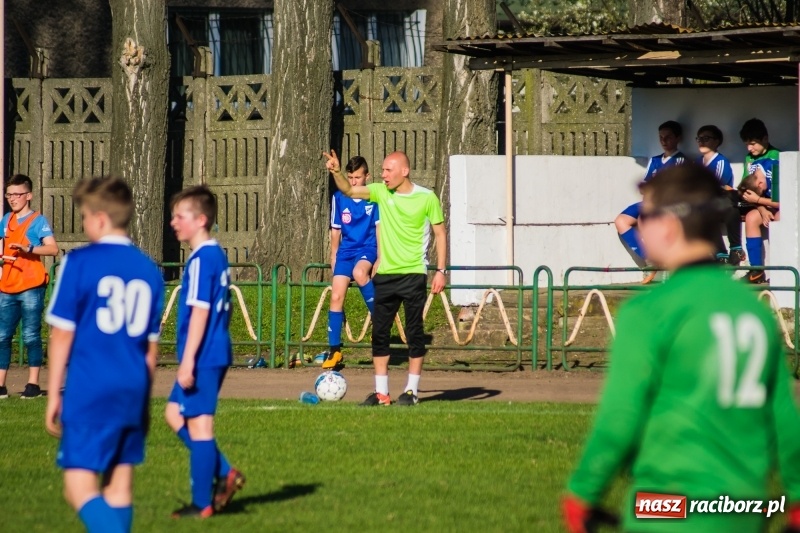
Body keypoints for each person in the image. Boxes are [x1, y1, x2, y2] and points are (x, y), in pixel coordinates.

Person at [563, 164, 800, 533]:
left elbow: (620, 419)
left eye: (646, 215)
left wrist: (582, 493)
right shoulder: (752, 311)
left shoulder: (649, 312)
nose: (640, 225)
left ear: (670, 226)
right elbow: (784, 420)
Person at [44, 177, 164, 533]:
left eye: (83, 217)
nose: (83, 224)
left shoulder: (80, 262)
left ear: (98, 219)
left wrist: (53, 395)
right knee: (119, 486)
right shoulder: (149, 270)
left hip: (91, 387)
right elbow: (151, 353)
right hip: (132, 388)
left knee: (78, 488)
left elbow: (62, 334)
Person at [323, 149, 446, 406]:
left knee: (414, 333)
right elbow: (349, 191)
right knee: (379, 334)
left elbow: (440, 234)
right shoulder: (380, 192)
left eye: (388, 170)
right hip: (386, 275)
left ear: (405, 170)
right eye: (382, 170)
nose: (383, 175)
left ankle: (411, 391)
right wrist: (335, 172)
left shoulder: (427, 198)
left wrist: (441, 270)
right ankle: (382, 393)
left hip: (413, 274)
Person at [165, 185, 245, 518]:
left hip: (204, 355)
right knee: (173, 414)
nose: (173, 223)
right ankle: (225, 472)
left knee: (200, 427)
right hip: (211, 351)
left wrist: (187, 363)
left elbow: (199, 312)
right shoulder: (214, 254)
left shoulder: (201, 260)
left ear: (200, 220)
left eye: (179, 216)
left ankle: (202, 505)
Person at [0, 173, 59, 399]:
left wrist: (29, 249)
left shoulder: (38, 221)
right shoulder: (6, 220)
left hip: (31, 286)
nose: (12, 199)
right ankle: (1, 386)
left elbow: (52, 249)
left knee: (31, 335)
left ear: (29, 195)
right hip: (7, 286)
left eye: (17, 194)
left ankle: (33, 385)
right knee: (3, 336)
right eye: (9, 194)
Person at [323, 155, 379, 370]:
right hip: (346, 251)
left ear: (367, 176)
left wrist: (380, 258)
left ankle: (379, 320)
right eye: (350, 177)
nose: (354, 181)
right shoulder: (339, 197)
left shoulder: (374, 197)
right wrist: (333, 257)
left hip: (368, 248)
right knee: (336, 296)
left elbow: (380, 228)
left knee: (359, 273)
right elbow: (335, 230)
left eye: (357, 177)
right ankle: (335, 351)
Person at [615, 121, 685, 284]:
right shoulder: (654, 161)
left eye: (668, 137)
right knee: (621, 221)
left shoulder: (681, 160)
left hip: (668, 205)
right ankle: (651, 262)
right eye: (661, 137)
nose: (664, 141)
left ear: (677, 138)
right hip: (649, 204)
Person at [739, 118, 780, 284]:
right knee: (751, 218)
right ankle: (756, 271)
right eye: (747, 144)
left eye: (753, 143)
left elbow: (784, 198)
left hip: (777, 204)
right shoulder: (749, 159)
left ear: (765, 139)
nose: (750, 148)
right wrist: (761, 208)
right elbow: (745, 190)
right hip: (762, 204)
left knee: (778, 221)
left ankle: (781, 270)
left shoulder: (777, 157)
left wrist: (762, 202)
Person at [693, 124, 742, 264]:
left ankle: (734, 250)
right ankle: (720, 254)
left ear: (716, 141)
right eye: (699, 138)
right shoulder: (697, 162)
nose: (702, 141)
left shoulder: (720, 161)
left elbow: (716, 187)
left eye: (706, 138)